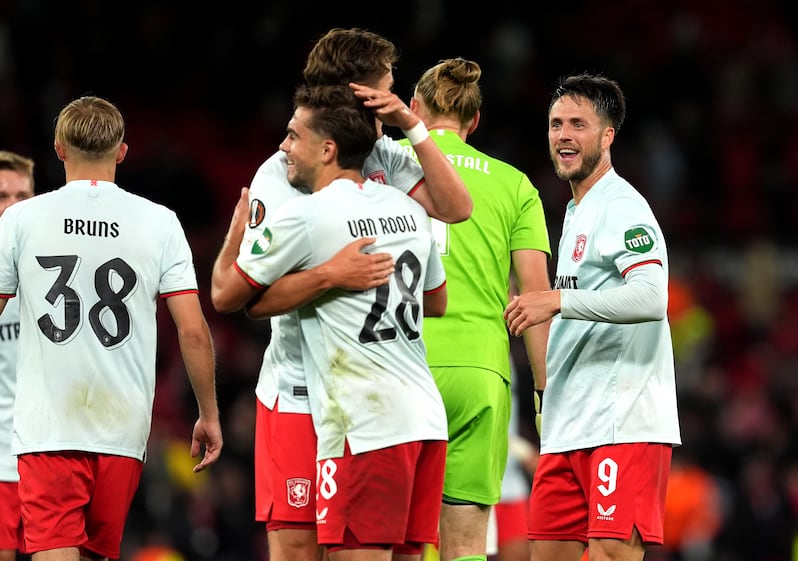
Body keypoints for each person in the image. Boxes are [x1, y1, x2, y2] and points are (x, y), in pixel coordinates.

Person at [210, 28, 471, 561]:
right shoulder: (282, 173)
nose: (395, 98)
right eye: (387, 87)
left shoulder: (388, 158)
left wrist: (412, 125)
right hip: (299, 392)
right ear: (358, 90)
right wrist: (331, 276)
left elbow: (456, 207)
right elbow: (244, 298)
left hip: (365, 402)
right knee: (303, 550)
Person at [0, 96, 223, 561]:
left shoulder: (20, 219)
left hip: (48, 429)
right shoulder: (161, 223)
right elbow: (194, 331)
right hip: (121, 430)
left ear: (59, 149)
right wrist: (209, 414)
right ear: (122, 151)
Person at [503, 72, 682, 561]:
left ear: (607, 136)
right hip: (569, 423)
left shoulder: (623, 207)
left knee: (610, 554)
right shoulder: (578, 212)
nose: (563, 135)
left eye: (578, 124)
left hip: (623, 422)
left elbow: (650, 299)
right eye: (556, 123)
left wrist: (557, 301)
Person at [400, 57, 551, 561]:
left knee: (396, 537)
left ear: (414, 108)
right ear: (475, 121)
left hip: (396, 366)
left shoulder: (381, 163)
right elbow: (534, 300)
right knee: (465, 543)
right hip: (479, 373)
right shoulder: (515, 185)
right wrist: (545, 397)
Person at [0, 150, 35, 561]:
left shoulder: (56, 273)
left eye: (22, 196)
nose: (11, 207)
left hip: (49, 456)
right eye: (2, 196)